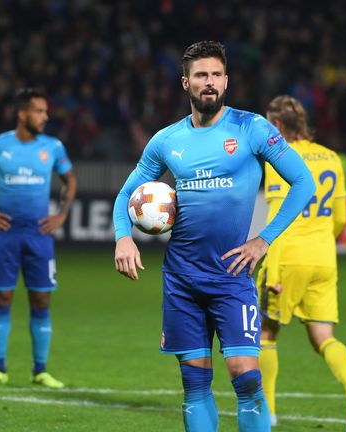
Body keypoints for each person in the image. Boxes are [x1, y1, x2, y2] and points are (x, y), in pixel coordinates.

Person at [113, 41, 315, 432]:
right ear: (185, 82)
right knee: (194, 384)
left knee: (246, 378)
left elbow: (303, 183)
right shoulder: (167, 141)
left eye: (217, 75)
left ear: (227, 80)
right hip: (182, 279)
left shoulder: (252, 127)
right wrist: (124, 236)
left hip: (232, 275)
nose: (210, 83)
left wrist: (264, 239)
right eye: (201, 75)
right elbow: (126, 194)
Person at [257, 95, 346, 431]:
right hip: (324, 258)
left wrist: (272, 269)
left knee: (265, 333)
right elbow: (341, 218)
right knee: (323, 336)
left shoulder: (280, 157)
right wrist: (320, 241)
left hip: (288, 257)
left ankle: (268, 412)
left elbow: (278, 213)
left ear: (277, 125)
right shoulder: (332, 158)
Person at [0, 88, 77, 388]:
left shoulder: (52, 147)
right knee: (1, 297)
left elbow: (70, 180)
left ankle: (40, 370)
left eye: (45, 111)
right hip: (6, 235)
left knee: (41, 299)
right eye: (39, 111)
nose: (45, 116)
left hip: (39, 235)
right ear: (22, 113)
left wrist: (62, 214)